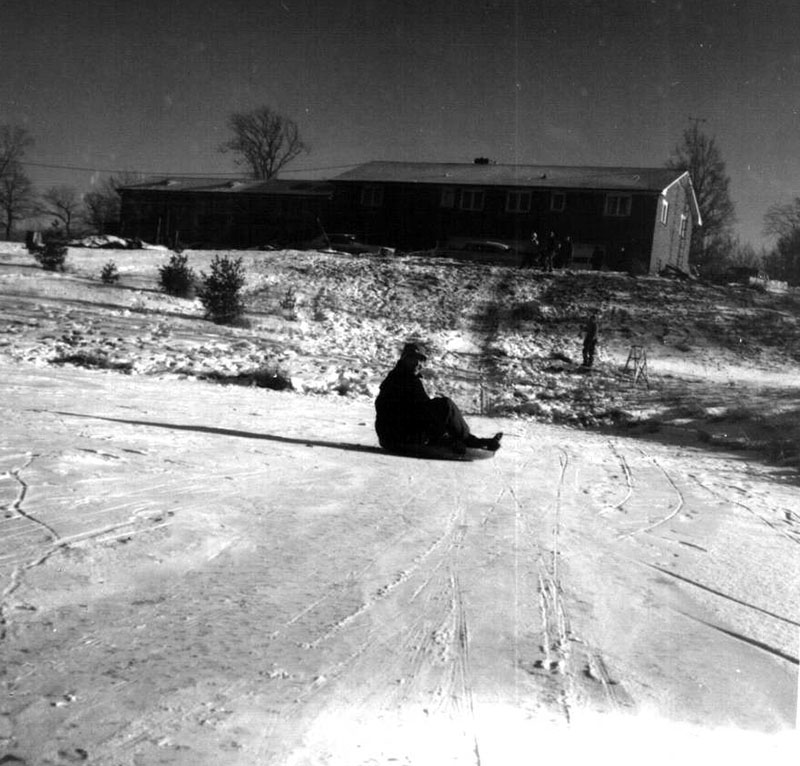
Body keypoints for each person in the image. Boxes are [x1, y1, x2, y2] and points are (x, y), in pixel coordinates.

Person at [375, 342, 502, 454]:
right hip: (396, 437)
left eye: (421, 360)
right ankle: (466, 440)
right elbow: (410, 414)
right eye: (413, 359)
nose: (418, 364)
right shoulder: (399, 379)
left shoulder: (406, 378)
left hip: (396, 435)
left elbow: (420, 412)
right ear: (404, 359)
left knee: (440, 407)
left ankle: (466, 440)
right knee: (444, 405)